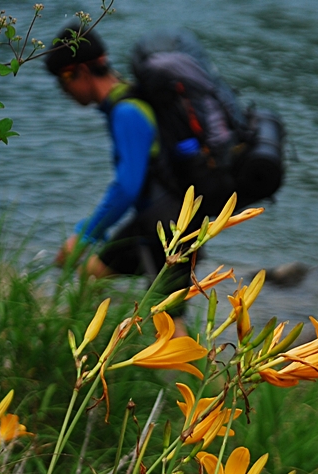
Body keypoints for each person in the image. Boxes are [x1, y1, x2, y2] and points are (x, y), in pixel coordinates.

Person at [45, 24, 228, 320]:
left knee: (168, 328)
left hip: (168, 231)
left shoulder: (127, 112)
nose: (64, 92)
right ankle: (99, 349)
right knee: (92, 274)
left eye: (62, 83)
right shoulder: (127, 100)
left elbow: (127, 187)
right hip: (158, 222)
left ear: (77, 72)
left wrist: (84, 236)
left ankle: (169, 360)